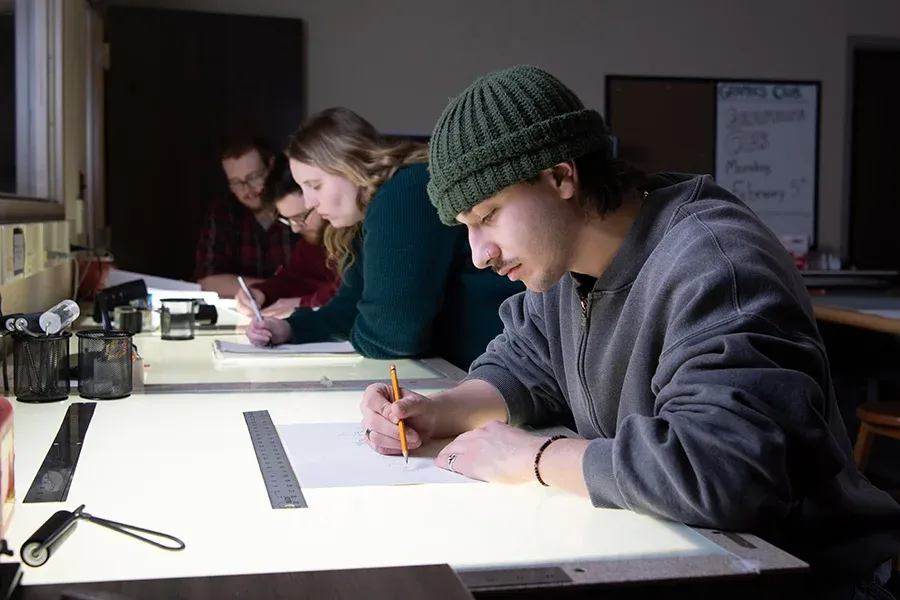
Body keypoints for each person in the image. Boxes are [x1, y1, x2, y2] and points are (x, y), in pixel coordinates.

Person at [359, 65, 900, 599]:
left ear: (560, 176)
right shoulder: (562, 269)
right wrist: (436, 411)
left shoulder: (714, 264)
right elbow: (522, 366)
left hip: (801, 574)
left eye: (489, 215)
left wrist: (533, 458)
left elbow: (720, 470)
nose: (479, 254)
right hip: (685, 552)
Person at [245, 107, 524, 370]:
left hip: (502, 375)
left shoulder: (403, 192)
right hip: (469, 373)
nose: (310, 202)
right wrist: (291, 329)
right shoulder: (368, 210)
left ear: (350, 163)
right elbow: (350, 307)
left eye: (315, 185)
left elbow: (390, 336)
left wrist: (364, 331)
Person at [195, 135, 300, 298]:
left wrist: (269, 289)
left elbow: (320, 284)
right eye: (236, 182)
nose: (247, 190)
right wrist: (274, 288)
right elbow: (208, 281)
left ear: (271, 166)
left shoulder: (298, 207)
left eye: (253, 177)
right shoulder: (223, 212)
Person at [236, 154, 338, 319]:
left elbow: (354, 294)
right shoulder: (313, 239)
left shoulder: (359, 232)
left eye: (300, 217)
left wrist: (303, 303)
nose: (295, 229)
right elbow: (296, 278)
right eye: (288, 220)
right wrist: (262, 292)